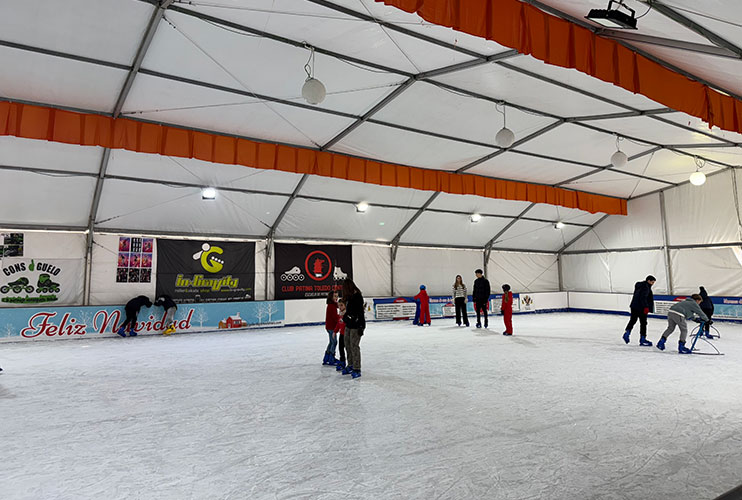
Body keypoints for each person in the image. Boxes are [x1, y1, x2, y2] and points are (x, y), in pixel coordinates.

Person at [622, 275, 656, 346]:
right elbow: (643, 297)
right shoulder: (646, 287)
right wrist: (646, 307)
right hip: (641, 308)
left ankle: (627, 333)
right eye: (652, 282)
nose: (653, 284)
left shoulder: (639, 285)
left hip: (634, 306)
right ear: (648, 281)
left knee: (633, 320)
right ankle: (642, 339)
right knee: (643, 323)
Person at [342, 279, 365, 379]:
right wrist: (345, 317)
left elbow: (359, 312)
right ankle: (350, 364)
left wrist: (361, 326)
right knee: (347, 344)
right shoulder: (349, 297)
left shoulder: (357, 297)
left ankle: (357, 367)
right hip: (349, 324)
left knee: (354, 346)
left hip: (356, 325)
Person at [323, 291, 339, 366]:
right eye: (335, 296)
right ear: (331, 297)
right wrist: (342, 318)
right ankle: (331, 358)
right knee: (334, 342)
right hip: (331, 327)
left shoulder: (333, 305)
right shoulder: (331, 306)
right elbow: (335, 318)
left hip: (330, 327)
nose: (336, 298)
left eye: (337, 296)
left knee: (331, 342)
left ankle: (326, 358)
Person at [335, 299, 348, 372]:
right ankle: (342, 361)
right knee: (340, 348)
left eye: (341, 305)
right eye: (339, 305)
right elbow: (338, 324)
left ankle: (350, 363)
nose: (340, 307)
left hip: (346, 334)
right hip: (341, 334)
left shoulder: (346, 314)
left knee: (348, 349)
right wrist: (335, 331)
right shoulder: (340, 314)